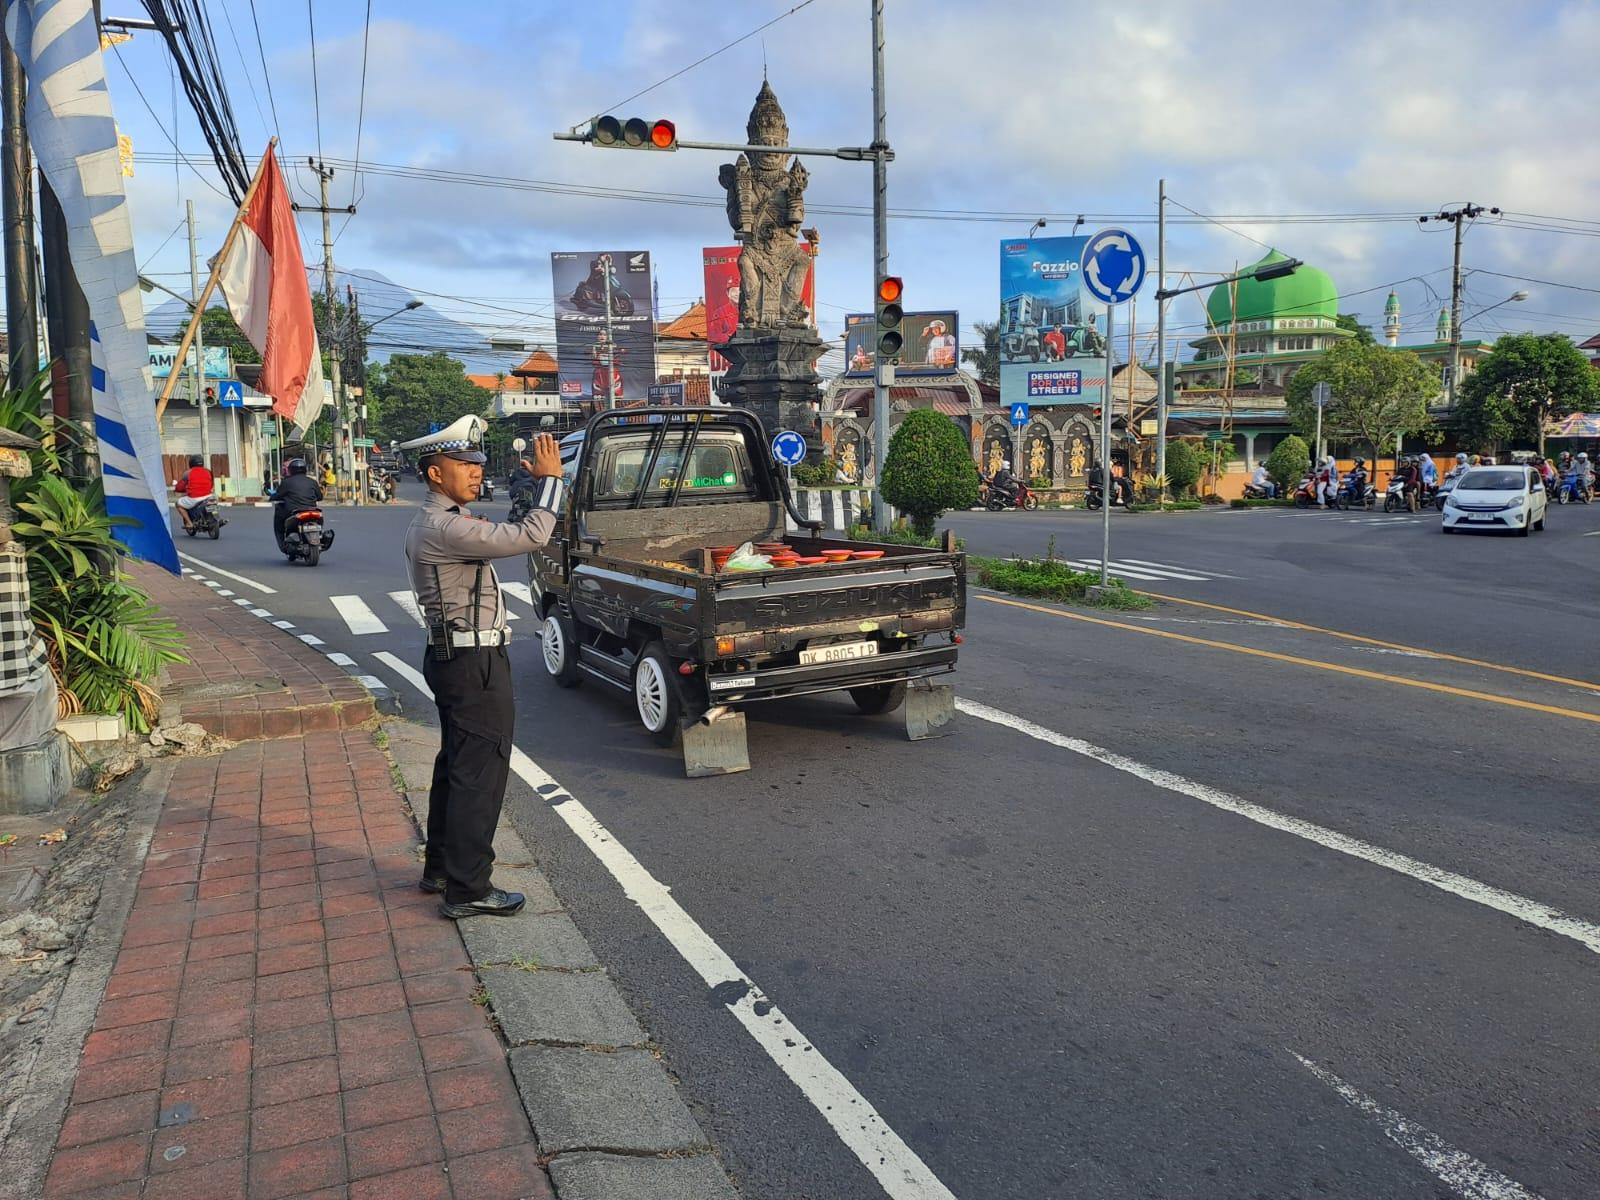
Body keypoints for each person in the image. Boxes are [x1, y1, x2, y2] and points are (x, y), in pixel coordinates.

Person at [401, 415, 565, 919]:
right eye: (463, 464)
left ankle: (441, 868)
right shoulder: (444, 526)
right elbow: (533, 534)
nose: (476, 472)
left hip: (456, 656)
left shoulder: (443, 521)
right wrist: (551, 480)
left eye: (477, 463)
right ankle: (468, 888)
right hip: (473, 662)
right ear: (434, 473)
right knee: (480, 772)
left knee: (456, 764)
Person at [273, 458, 323, 551]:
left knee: (279, 518)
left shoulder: (286, 482)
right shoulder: (312, 481)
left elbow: (277, 496)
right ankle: (319, 535)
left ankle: (283, 545)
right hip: (312, 510)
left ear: (291, 470)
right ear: (305, 469)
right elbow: (320, 497)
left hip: (293, 512)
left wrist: (272, 497)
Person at [174, 455, 214, 531]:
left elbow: (180, 486)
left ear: (191, 463)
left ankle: (189, 523)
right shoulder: (208, 471)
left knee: (178, 504)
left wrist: (177, 489)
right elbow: (211, 484)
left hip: (195, 498)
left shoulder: (188, 473)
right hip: (209, 496)